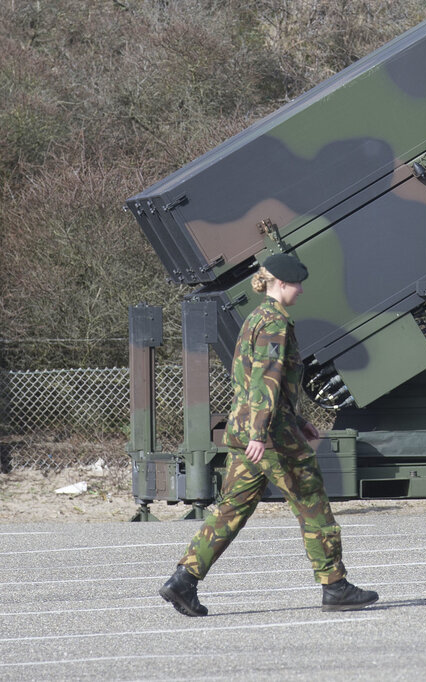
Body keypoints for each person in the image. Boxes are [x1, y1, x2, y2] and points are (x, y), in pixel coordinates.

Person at [159, 253, 379, 616]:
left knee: (231, 508)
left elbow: (247, 380)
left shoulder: (254, 319)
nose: (302, 290)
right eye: (297, 284)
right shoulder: (275, 322)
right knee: (312, 501)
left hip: (249, 432)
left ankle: (183, 581)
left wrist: (293, 420)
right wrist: (263, 432)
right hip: (269, 438)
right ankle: (335, 586)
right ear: (279, 283)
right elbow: (266, 380)